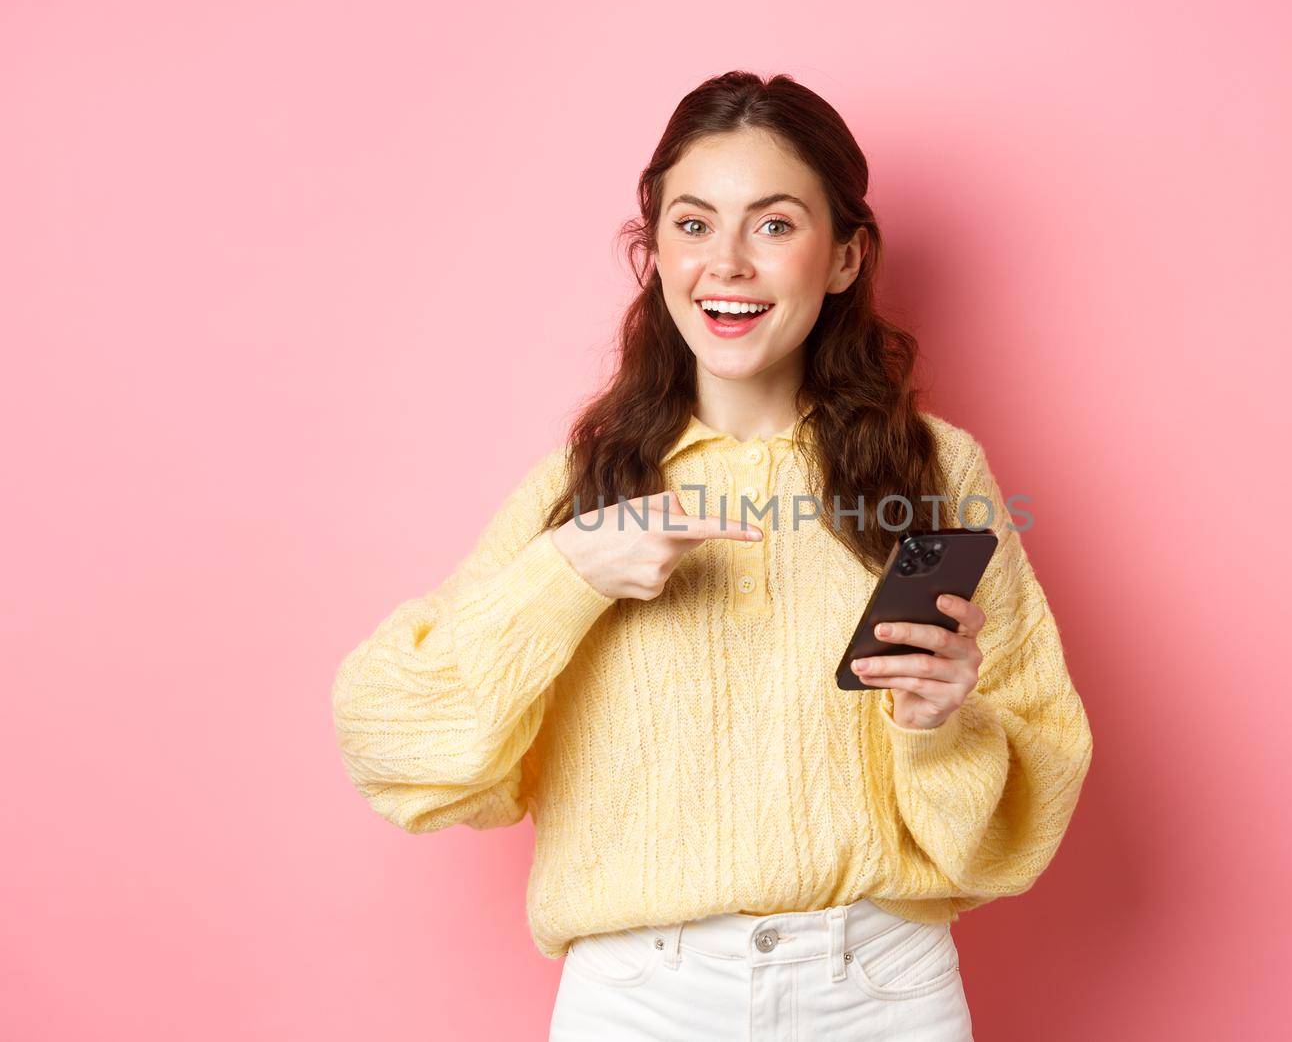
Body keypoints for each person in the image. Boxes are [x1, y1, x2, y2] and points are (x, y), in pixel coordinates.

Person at [330, 69, 1093, 1041]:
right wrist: (568, 574)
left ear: (846, 257)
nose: (725, 262)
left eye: (773, 225)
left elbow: (1024, 808)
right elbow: (392, 734)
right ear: (655, 252)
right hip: (642, 999)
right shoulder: (586, 483)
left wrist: (939, 721)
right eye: (693, 225)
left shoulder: (936, 471)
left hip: (878, 989)